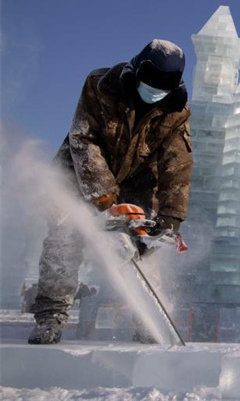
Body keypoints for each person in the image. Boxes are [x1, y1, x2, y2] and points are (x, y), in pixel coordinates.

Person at [28, 39, 194, 345]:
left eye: (164, 86)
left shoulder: (175, 111)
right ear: (136, 71)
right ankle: (50, 318)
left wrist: (170, 218)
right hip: (78, 175)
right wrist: (106, 203)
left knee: (143, 251)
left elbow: (177, 163)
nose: (155, 91)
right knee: (63, 241)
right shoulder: (100, 86)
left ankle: (150, 323)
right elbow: (84, 140)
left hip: (136, 181)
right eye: (151, 82)